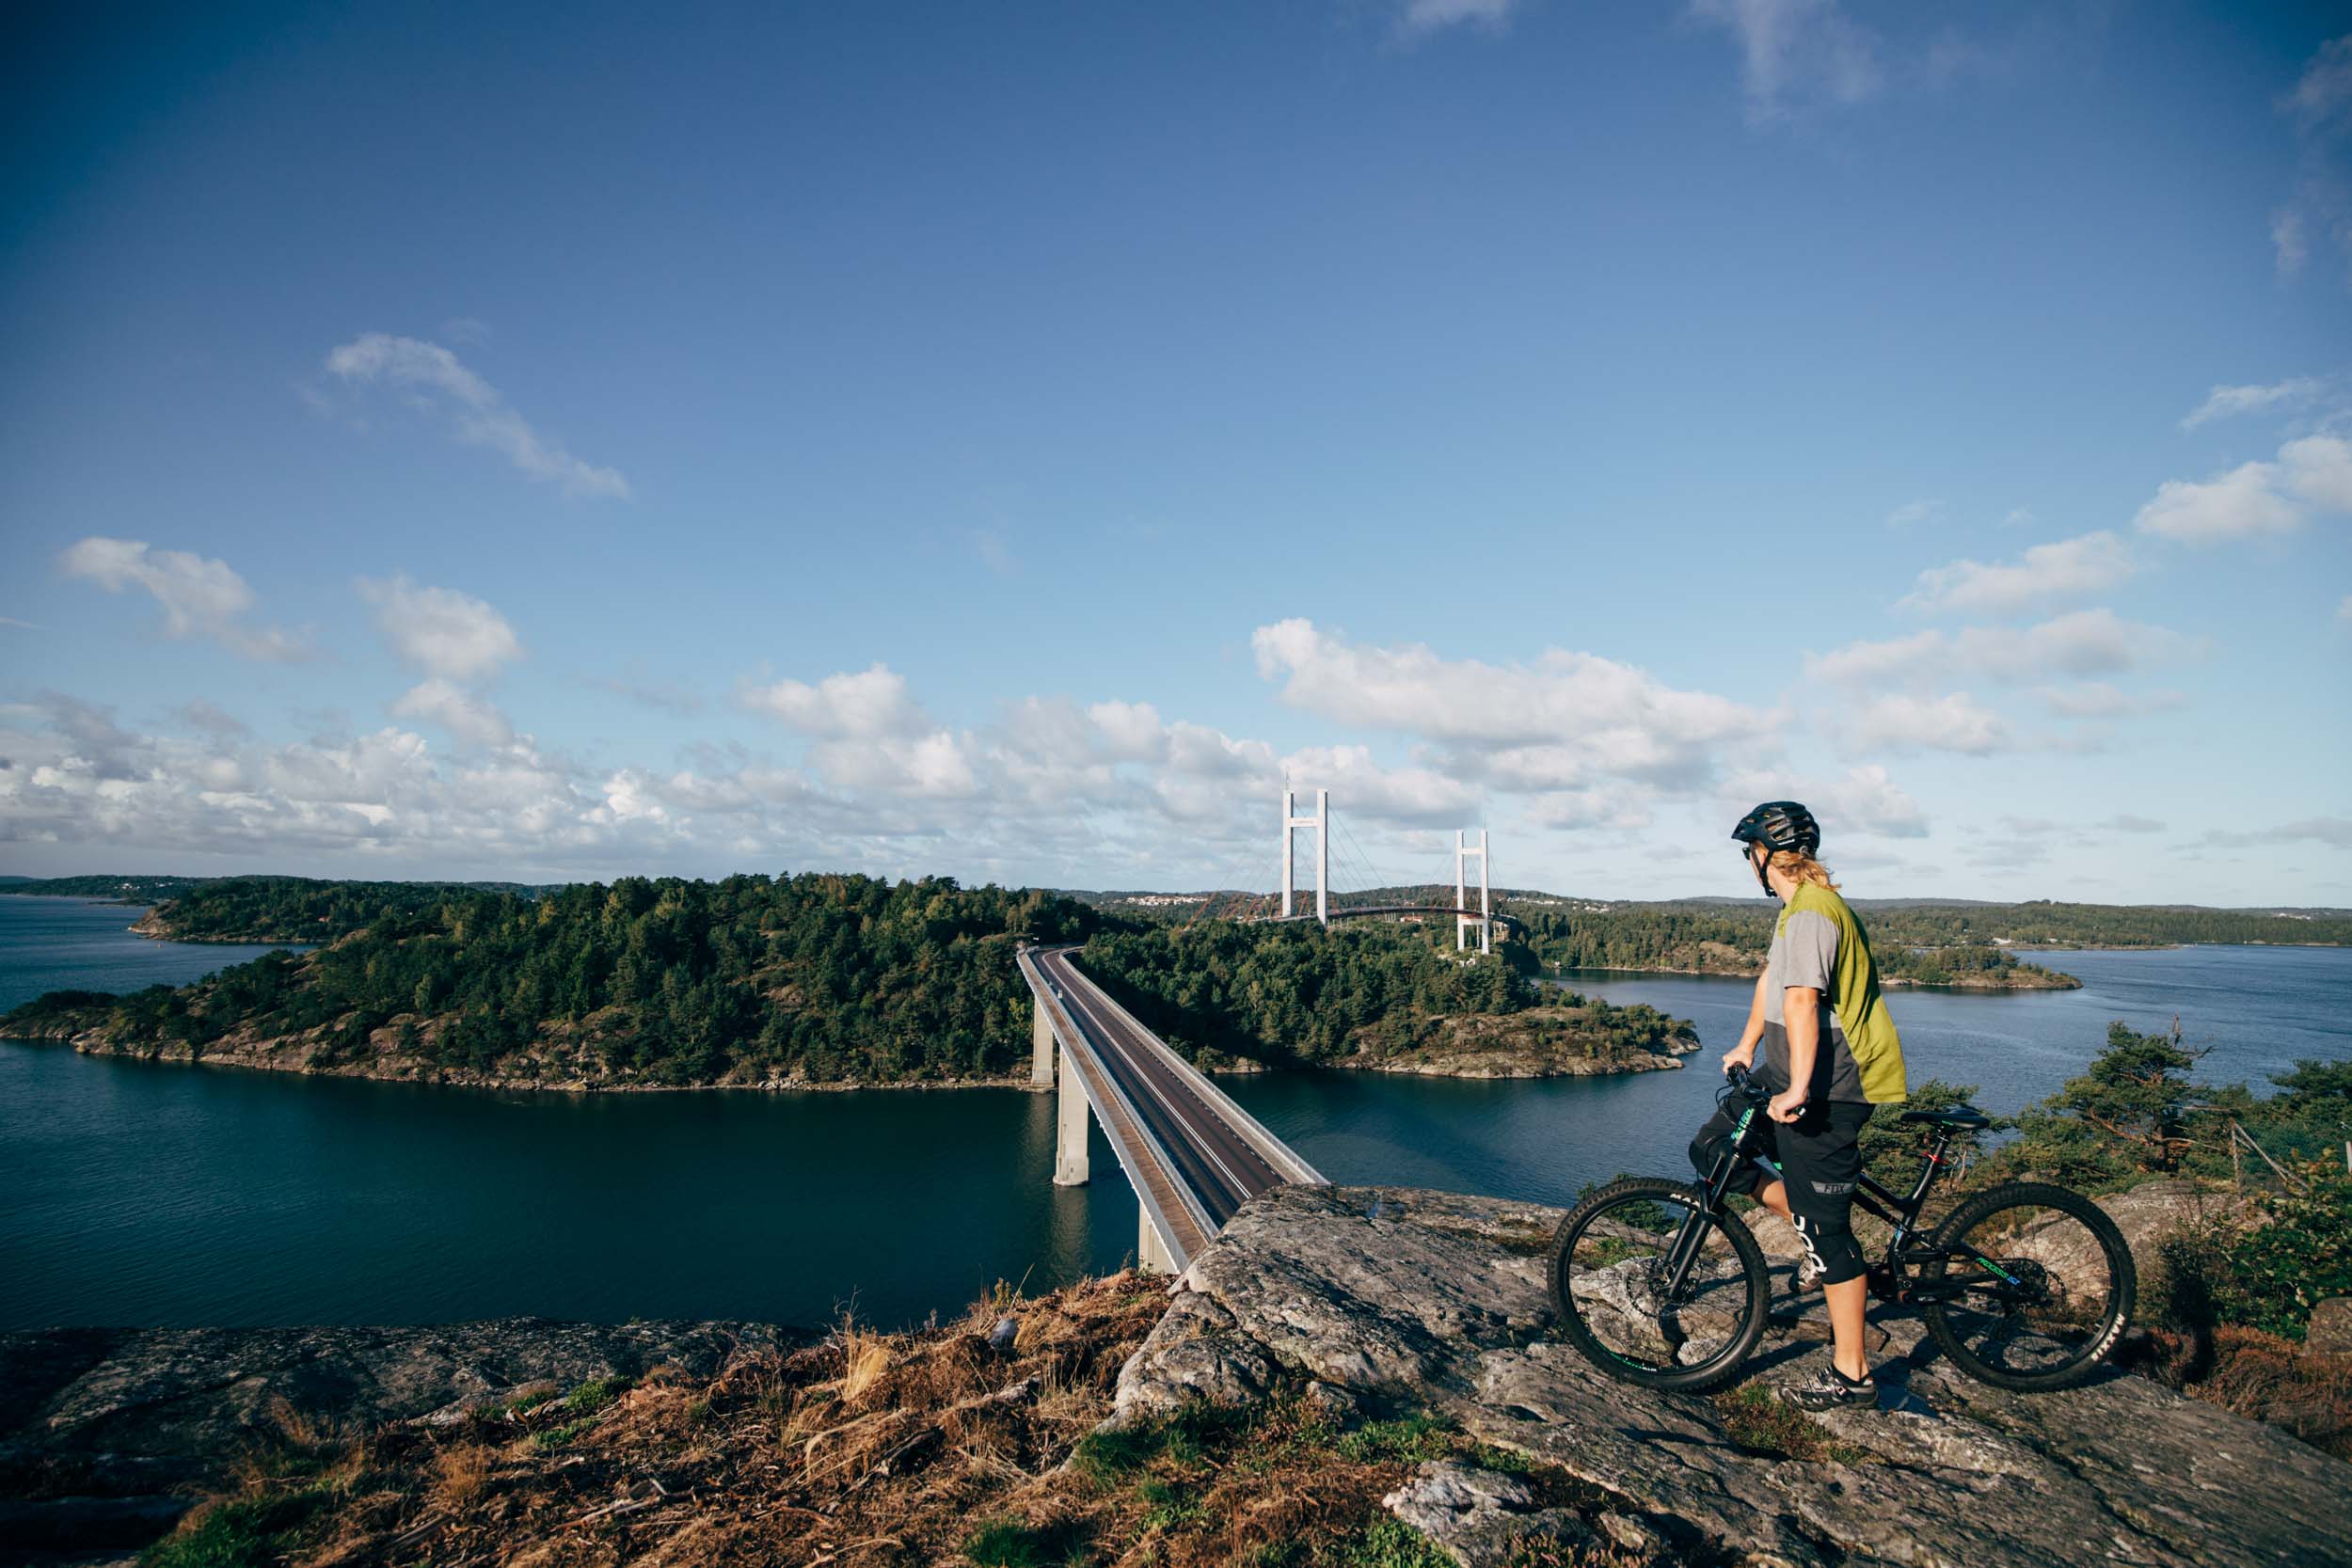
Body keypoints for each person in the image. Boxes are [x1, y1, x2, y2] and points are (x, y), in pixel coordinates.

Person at [1688, 800, 1909, 1411]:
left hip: (1833, 1086)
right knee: (1712, 1147)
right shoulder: (1794, 912)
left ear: (1765, 854)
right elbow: (1771, 982)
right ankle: (1815, 1234)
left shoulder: (1813, 915)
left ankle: (1853, 1372)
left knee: (1828, 1233)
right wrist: (1745, 1043)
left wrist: (1797, 1088)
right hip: (1790, 1069)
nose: (1748, 864)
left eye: (1749, 853)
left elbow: (1806, 1002)